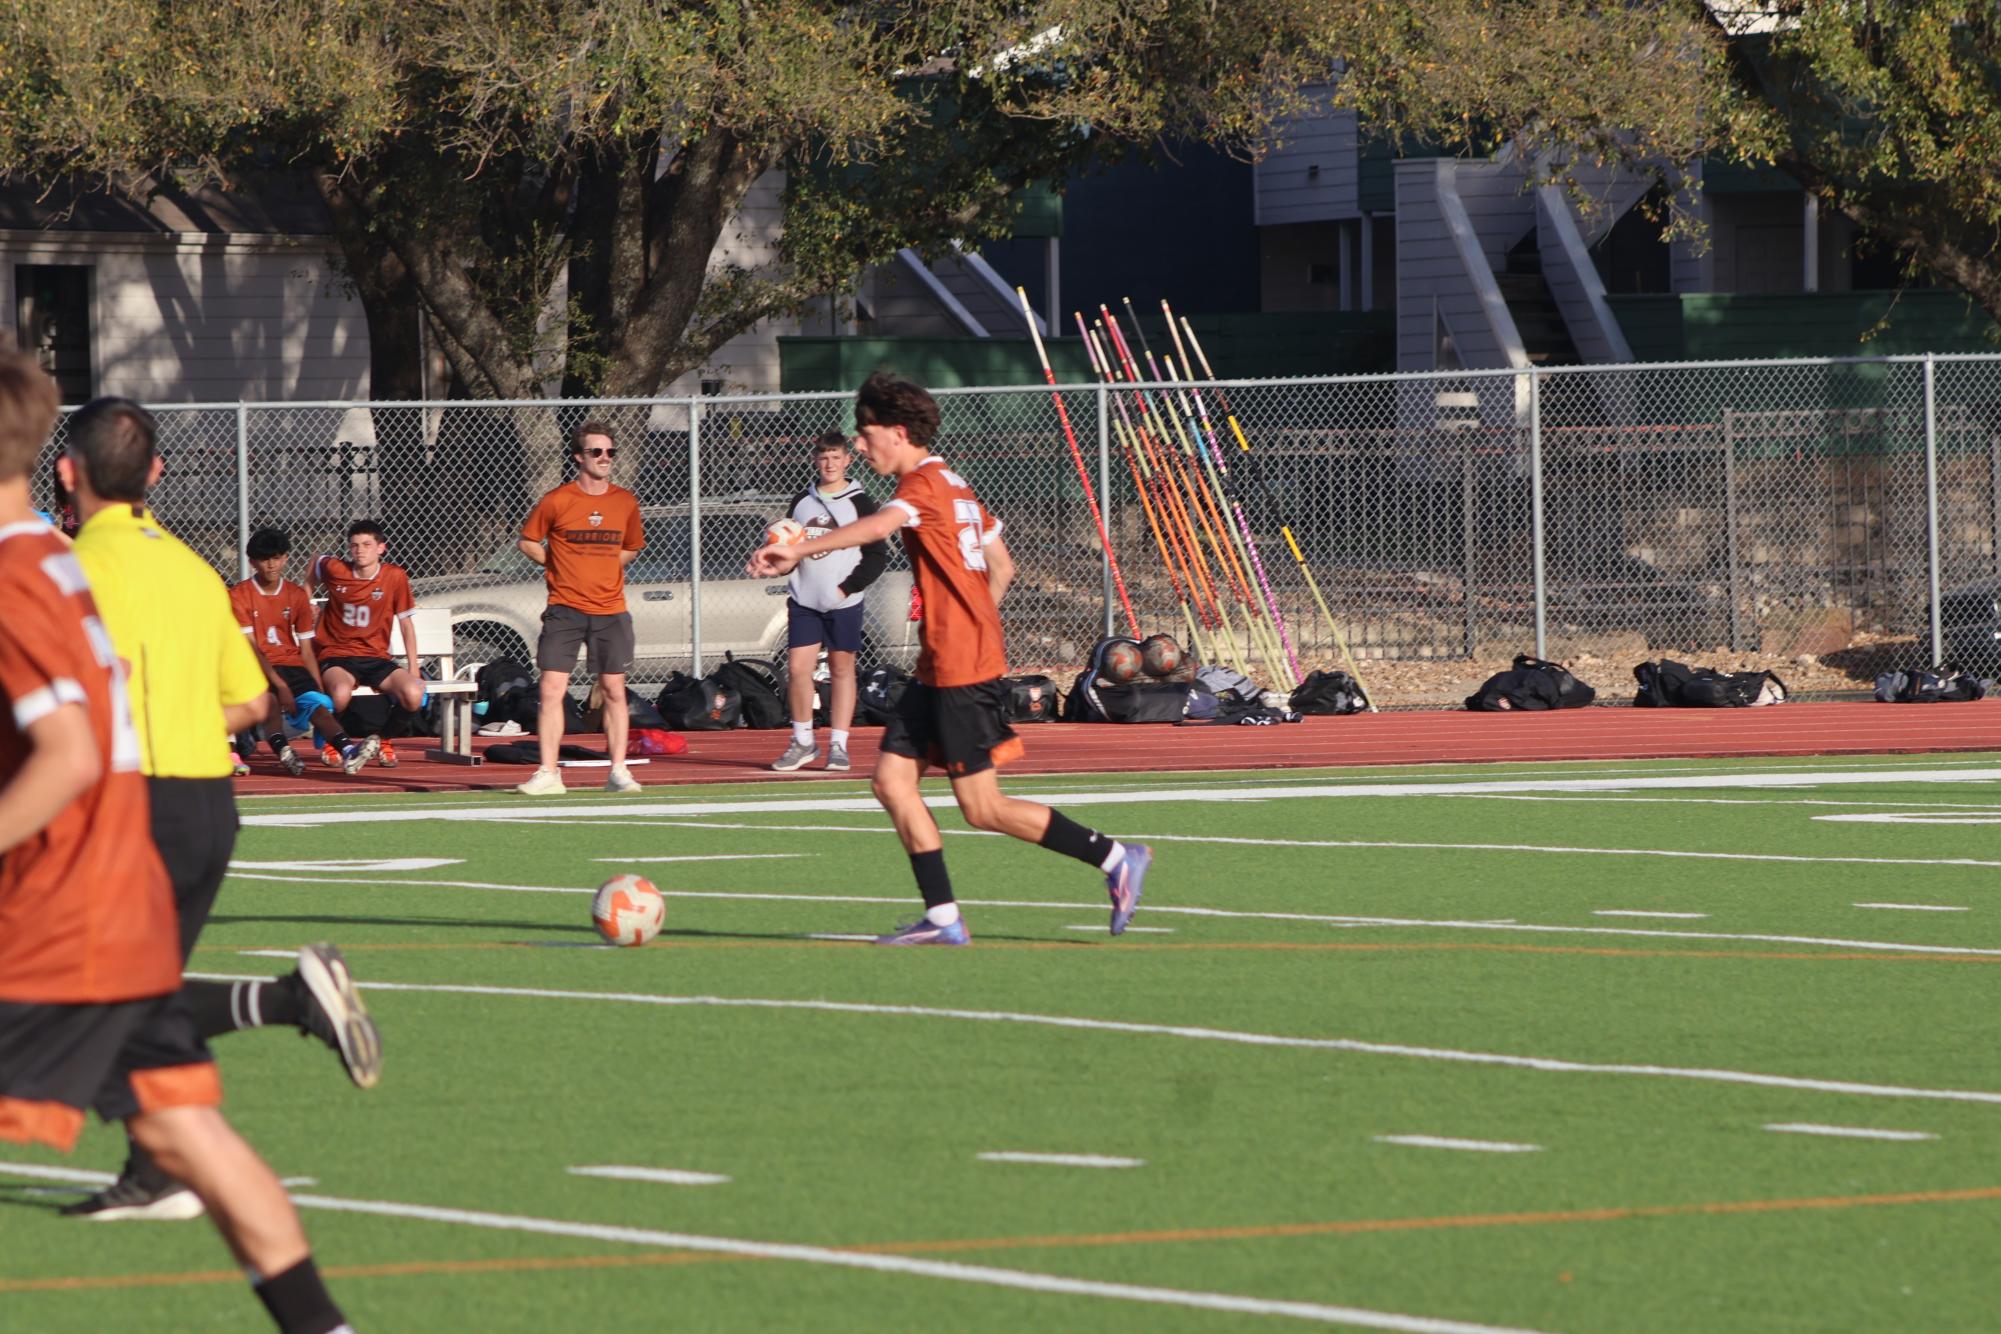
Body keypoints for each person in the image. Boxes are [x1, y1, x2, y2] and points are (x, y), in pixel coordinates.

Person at [0, 353, 355, 1332]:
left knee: (168, 1103)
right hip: (157, 833)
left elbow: (65, 748)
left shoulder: (36, 568)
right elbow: (248, 698)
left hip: (66, 878)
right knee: (176, 1115)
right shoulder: (164, 568)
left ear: (68, 471)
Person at [62, 397, 381, 1222]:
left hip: (128, 804)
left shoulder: (65, 572)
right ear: (157, 476)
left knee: (81, 998)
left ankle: (271, 1026)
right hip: (207, 804)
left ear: (66, 475)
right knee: (143, 991)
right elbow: (247, 704)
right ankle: (158, 1167)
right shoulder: (195, 571)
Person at [749, 372, 1152, 944]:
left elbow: (877, 528)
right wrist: (968, 621)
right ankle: (943, 919)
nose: (860, 447)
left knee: (982, 807)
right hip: (947, 661)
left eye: (864, 434)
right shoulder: (957, 484)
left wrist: (799, 548)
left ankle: (1115, 858)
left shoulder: (919, 489)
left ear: (895, 431)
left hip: (961, 667)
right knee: (891, 782)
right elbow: (1003, 567)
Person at [514, 421, 646, 796]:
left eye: (609, 452)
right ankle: (549, 773)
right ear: (579, 456)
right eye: (596, 452)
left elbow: (632, 547)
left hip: (611, 611)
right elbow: (527, 541)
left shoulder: (625, 502)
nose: (605, 458)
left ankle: (618, 772)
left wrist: (603, 568)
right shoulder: (557, 500)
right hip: (565, 609)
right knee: (552, 688)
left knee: (614, 690)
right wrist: (555, 565)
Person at [770, 431, 889, 773]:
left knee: (841, 669)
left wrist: (846, 588)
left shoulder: (860, 502)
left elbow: (876, 555)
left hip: (843, 602)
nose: (830, 464)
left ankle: (838, 744)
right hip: (804, 600)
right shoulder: (801, 501)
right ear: (815, 460)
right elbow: (791, 549)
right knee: (797, 669)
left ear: (847, 460)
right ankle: (803, 740)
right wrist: (779, 563)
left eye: (836, 457)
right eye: (823, 457)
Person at [229, 527, 381, 777]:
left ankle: (349, 751)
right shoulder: (239, 595)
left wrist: (317, 685)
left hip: (291, 666)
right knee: (271, 702)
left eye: (277, 558)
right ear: (252, 562)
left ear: (286, 558)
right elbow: (252, 647)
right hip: (254, 666)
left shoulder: (296, 595)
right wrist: (281, 686)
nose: (272, 565)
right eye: (265, 559)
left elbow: (307, 648)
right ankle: (284, 751)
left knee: (318, 706)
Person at [310, 519, 424, 769]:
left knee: (414, 693)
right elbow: (316, 563)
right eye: (354, 545)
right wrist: (306, 598)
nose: (360, 550)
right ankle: (334, 740)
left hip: (375, 656)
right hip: (337, 654)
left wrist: (413, 668)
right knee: (340, 694)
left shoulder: (394, 576)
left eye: (367, 544)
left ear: (381, 548)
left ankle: (382, 740)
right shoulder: (336, 569)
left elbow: (406, 624)